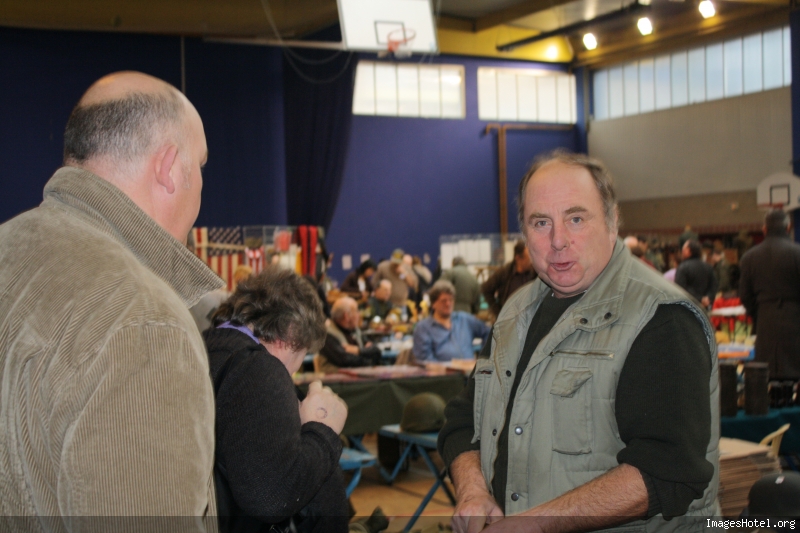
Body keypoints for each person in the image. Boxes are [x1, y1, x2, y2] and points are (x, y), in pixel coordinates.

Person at [438, 150, 718, 533]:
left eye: (575, 218)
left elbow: (667, 471)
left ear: (612, 220)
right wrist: (472, 491)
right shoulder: (514, 313)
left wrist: (533, 524)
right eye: (541, 222)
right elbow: (461, 420)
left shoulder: (661, 318)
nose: (558, 240)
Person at [0, 72, 223, 526]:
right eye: (199, 166)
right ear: (168, 167)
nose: (200, 186)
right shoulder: (146, 325)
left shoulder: (10, 246)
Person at [204, 267, 351, 533]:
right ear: (291, 336)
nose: (292, 373)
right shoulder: (259, 370)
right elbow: (270, 497)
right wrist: (323, 433)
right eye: (302, 355)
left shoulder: (205, 347)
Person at [740, 209, 800, 379]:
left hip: (765, 319)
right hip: (795, 319)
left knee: (767, 371)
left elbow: (745, 295)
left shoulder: (749, 257)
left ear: (764, 229)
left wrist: (759, 313)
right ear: (788, 228)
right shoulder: (797, 253)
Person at [413, 280, 490, 362]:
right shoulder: (423, 328)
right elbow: (425, 361)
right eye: (443, 301)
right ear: (433, 304)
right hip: (442, 374)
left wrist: (484, 358)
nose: (448, 304)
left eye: (451, 300)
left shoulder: (464, 319)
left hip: (470, 372)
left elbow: (490, 332)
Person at [318, 297, 382, 373]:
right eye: (356, 311)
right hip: (336, 382)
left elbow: (376, 350)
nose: (359, 315)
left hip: (358, 378)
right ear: (347, 316)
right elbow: (346, 360)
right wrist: (369, 359)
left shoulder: (355, 331)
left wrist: (358, 350)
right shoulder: (328, 335)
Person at [481, 240, 536, 318]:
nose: (531, 261)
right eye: (528, 258)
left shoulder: (534, 274)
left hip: (528, 319)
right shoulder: (504, 273)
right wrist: (498, 312)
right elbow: (486, 289)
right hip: (508, 320)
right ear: (518, 258)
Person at [676, 239, 718, 309]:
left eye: (683, 250)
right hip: (705, 307)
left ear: (689, 251)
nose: (681, 252)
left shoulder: (682, 267)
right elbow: (714, 286)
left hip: (688, 308)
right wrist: (708, 298)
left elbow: (680, 288)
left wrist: (700, 299)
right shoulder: (708, 267)